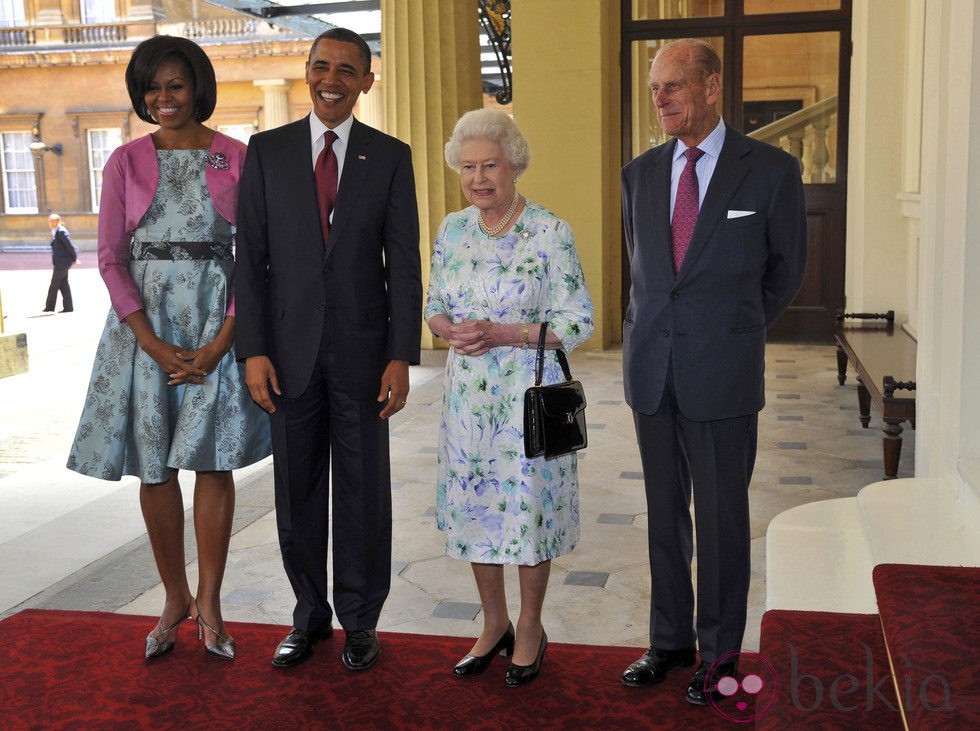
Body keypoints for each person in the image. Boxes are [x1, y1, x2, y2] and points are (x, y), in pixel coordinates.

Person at [67, 35, 271, 662]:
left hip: (218, 325)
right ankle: (173, 598)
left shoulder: (238, 156)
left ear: (199, 88)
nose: (163, 98)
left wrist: (222, 341)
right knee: (155, 468)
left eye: (175, 85)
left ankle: (209, 601)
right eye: (152, 88)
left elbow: (256, 259)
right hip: (143, 335)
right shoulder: (124, 162)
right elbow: (108, 259)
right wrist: (152, 343)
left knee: (212, 462)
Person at [619, 38, 807, 704]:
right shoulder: (639, 174)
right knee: (663, 514)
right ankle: (669, 641)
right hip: (651, 371)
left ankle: (721, 654)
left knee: (722, 519)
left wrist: (732, 328)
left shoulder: (771, 171)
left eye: (672, 86)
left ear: (708, 88)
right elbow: (647, 273)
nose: (661, 98)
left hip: (722, 374)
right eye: (654, 88)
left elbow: (786, 270)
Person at [234, 27, 422, 672]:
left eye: (347, 69)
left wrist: (402, 354)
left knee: (365, 493)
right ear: (306, 72)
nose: (331, 79)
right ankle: (309, 616)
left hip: (366, 357)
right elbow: (250, 260)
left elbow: (404, 262)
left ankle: (361, 621)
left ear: (367, 81)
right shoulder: (267, 152)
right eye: (321, 66)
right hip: (287, 356)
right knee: (298, 492)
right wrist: (253, 350)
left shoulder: (390, 156)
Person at [425, 108, 594, 687]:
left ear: (513, 164)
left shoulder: (550, 231)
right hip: (468, 403)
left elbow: (578, 321)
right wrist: (447, 329)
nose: (478, 178)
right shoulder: (451, 230)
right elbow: (433, 306)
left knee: (527, 514)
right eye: (468, 167)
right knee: (478, 512)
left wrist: (506, 333)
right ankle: (492, 622)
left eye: (489, 165)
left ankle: (529, 626)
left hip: (526, 398)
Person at [43, 213, 77, 313]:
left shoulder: (62, 232)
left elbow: (69, 246)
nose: (49, 223)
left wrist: (74, 258)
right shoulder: (56, 231)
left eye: (51, 221)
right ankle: (68, 307)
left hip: (62, 263)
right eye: (49, 221)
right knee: (63, 284)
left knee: (54, 285)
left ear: (57, 221)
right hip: (60, 262)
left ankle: (49, 307)